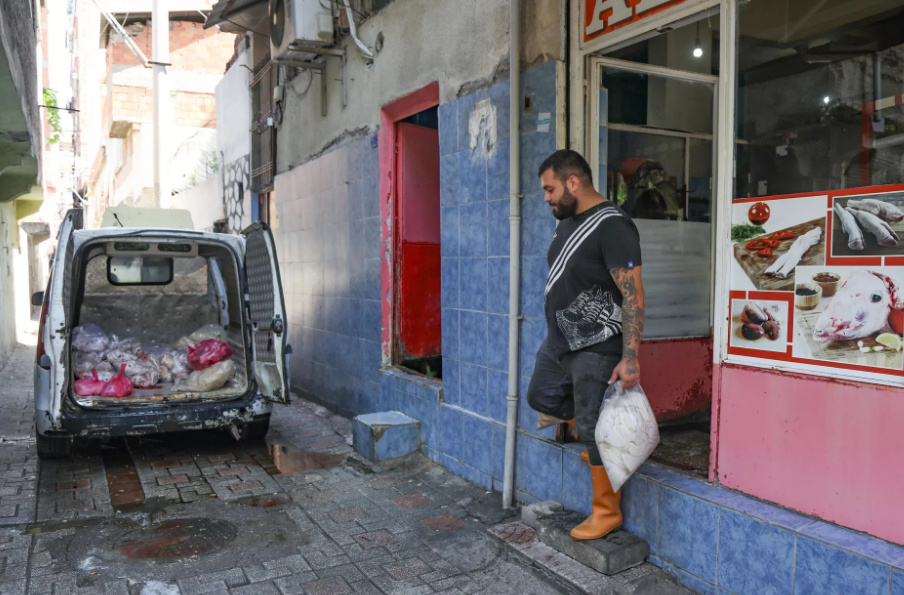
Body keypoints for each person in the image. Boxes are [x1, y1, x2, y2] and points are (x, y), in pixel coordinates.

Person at [527, 149, 645, 541]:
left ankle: (606, 511)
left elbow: (633, 295)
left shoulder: (614, 226)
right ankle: (597, 447)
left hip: (597, 345)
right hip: (560, 340)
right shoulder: (567, 222)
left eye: (550, 189)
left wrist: (630, 358)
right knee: (541, 396)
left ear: (573, 183)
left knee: (594, 424)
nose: (546, 197)